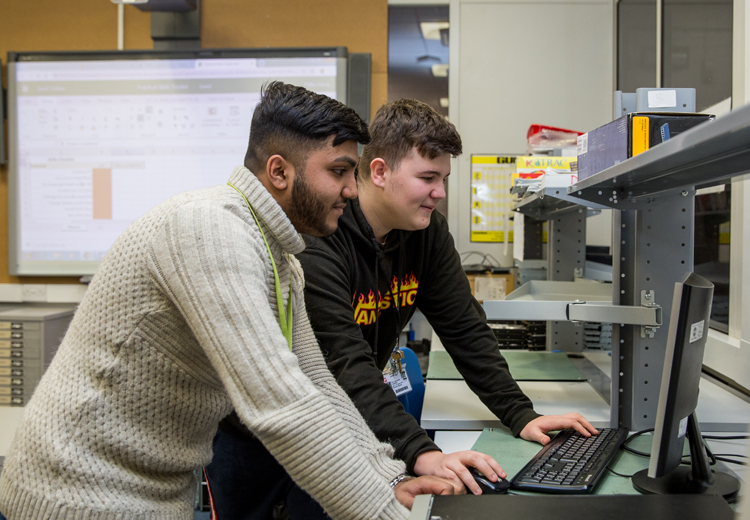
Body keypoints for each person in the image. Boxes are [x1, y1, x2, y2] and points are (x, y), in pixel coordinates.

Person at [0, 83, 459, 520]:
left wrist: (385, 480)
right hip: (76, 494)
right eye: (338, 171)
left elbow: (318, 384)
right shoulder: (210, 230)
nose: (353, 190)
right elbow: (282, 405)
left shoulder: (281, 257)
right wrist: (382, 512)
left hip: (156, 491)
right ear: (279, 171)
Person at [206, 98, 598, 516]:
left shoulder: (426, 233)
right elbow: (345, 363)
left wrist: (520, 414)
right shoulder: (320, 235)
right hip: (255, 434)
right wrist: (421, 452)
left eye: (444, 178)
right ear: (379, 172)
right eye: (428, 177)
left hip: (340, 426)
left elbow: (464, 328)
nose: (440, 193)